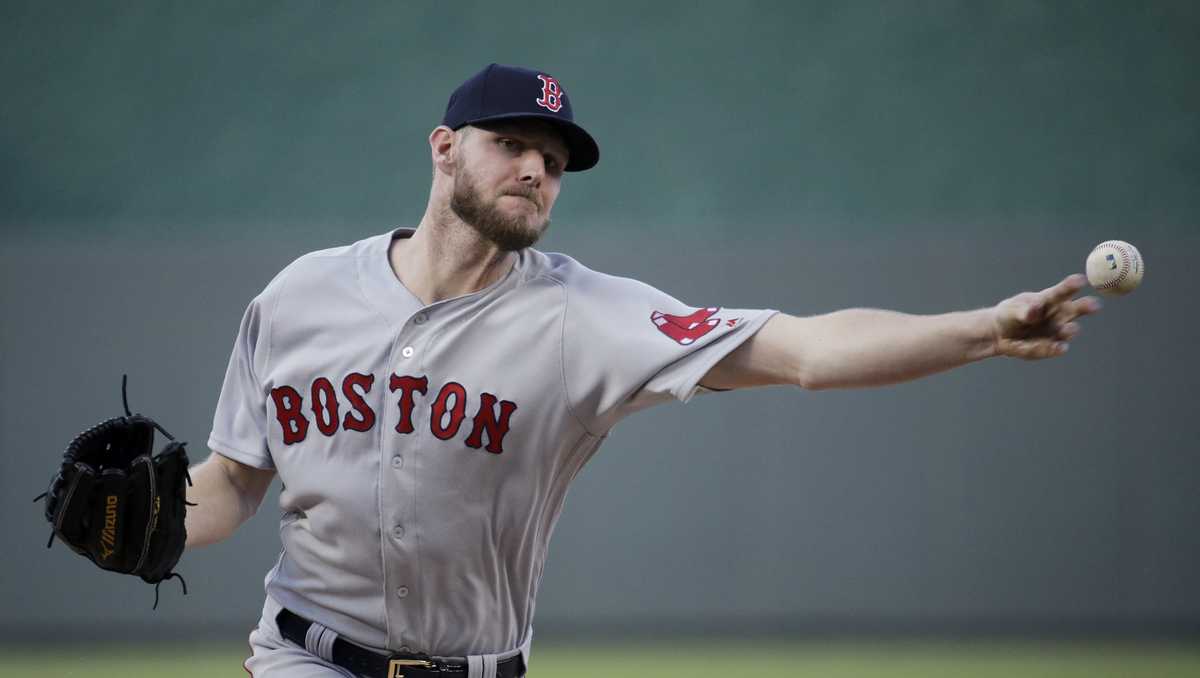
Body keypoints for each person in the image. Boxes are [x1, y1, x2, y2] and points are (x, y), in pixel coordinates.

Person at [183, 63, 1101, 678]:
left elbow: (810, 353)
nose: (536, 170)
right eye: (511, 144)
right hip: (304, 656)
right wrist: (140, 522)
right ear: (445, 146)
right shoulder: (300, 296)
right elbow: (229, 485)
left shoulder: (585, 318)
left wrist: (981, 329)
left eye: (553, 160)